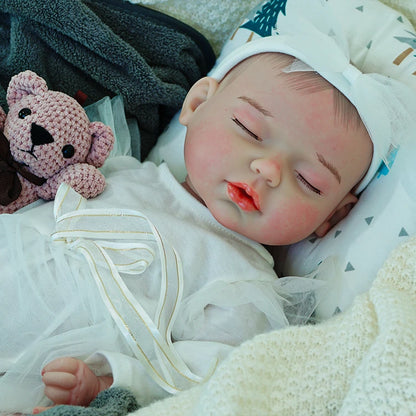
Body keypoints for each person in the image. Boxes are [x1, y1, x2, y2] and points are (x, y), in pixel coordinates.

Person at [1, 19, 415, 415]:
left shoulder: (242, 284)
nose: (268, 170)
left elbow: (203, 371)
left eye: (308, 181)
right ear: (197, 104)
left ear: (330, 219)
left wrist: (108, 381)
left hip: (27, 369)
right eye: (249, 130)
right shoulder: (122, 169)